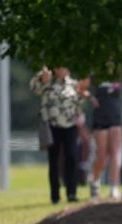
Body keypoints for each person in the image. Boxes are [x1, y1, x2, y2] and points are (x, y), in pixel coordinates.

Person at [30, 67, 85, 204]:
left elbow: (78, 100)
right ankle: (55, 195)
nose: (64, 70)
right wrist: (42, 78)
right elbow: (34, 88)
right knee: (53, 160)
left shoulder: (72, 84)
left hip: (70, 125)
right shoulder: (46, 81)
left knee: (72, 157)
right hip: (52, 125)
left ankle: (71, 192)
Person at [89, 80, 122, 199]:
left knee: (115, 153)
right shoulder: (96, 75)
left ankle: (114, 187)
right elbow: (81, 88)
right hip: (101, 118)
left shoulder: (120, 73)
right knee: (102, 157)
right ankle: (95, 181)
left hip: (117, 118)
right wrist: (90, 97)